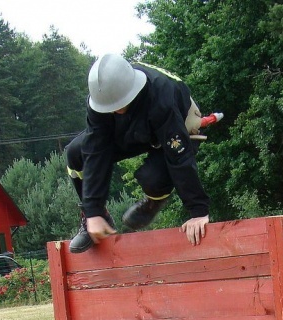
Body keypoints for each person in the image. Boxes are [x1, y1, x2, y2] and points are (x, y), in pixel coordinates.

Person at [65, 54, 211, 253]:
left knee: (153, 178)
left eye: (118, 105)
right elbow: (96, 151)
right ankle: (99, 216)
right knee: (75, 154)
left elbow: (180, 157)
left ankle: (154, 201)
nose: (114, 110)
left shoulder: (162, 97)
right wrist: (93, 211)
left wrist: (198, 211)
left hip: (177, 122)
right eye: (110, 108)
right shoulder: (101, 102)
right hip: (132, 127)